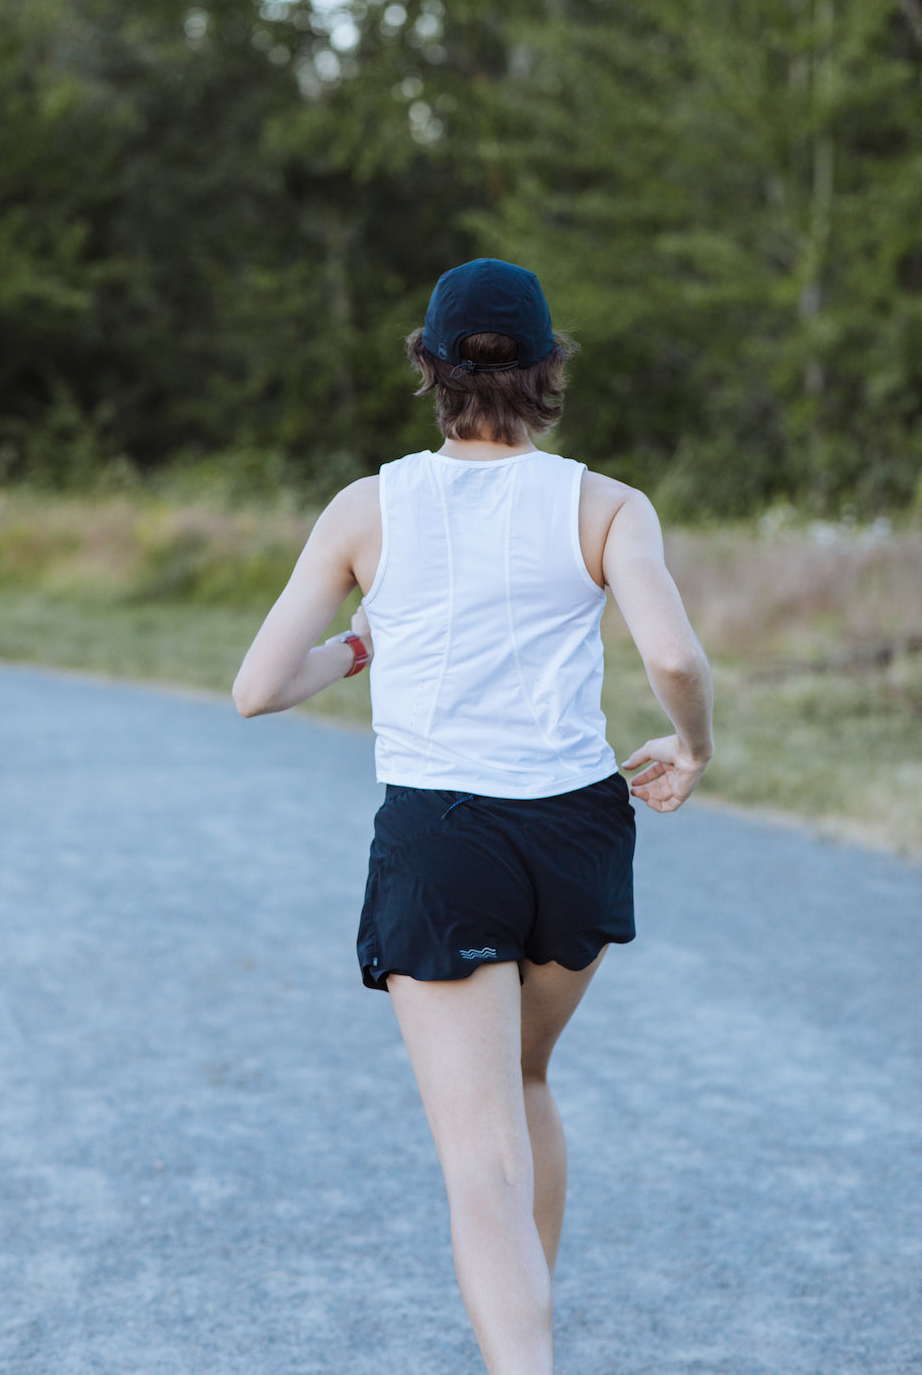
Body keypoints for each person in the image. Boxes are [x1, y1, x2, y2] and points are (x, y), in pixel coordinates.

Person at [233, 258, 714, 1375]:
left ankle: (521, 1361)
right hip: (576, 831)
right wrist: (692, 747)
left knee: (479, 1158)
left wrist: (362, 643)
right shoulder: (606, 505)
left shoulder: (369, 507)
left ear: (431, 371)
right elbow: (677, 655)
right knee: (529, 1079)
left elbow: (259, 686)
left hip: (443, 838)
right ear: (548, 371)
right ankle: (527, 1317)